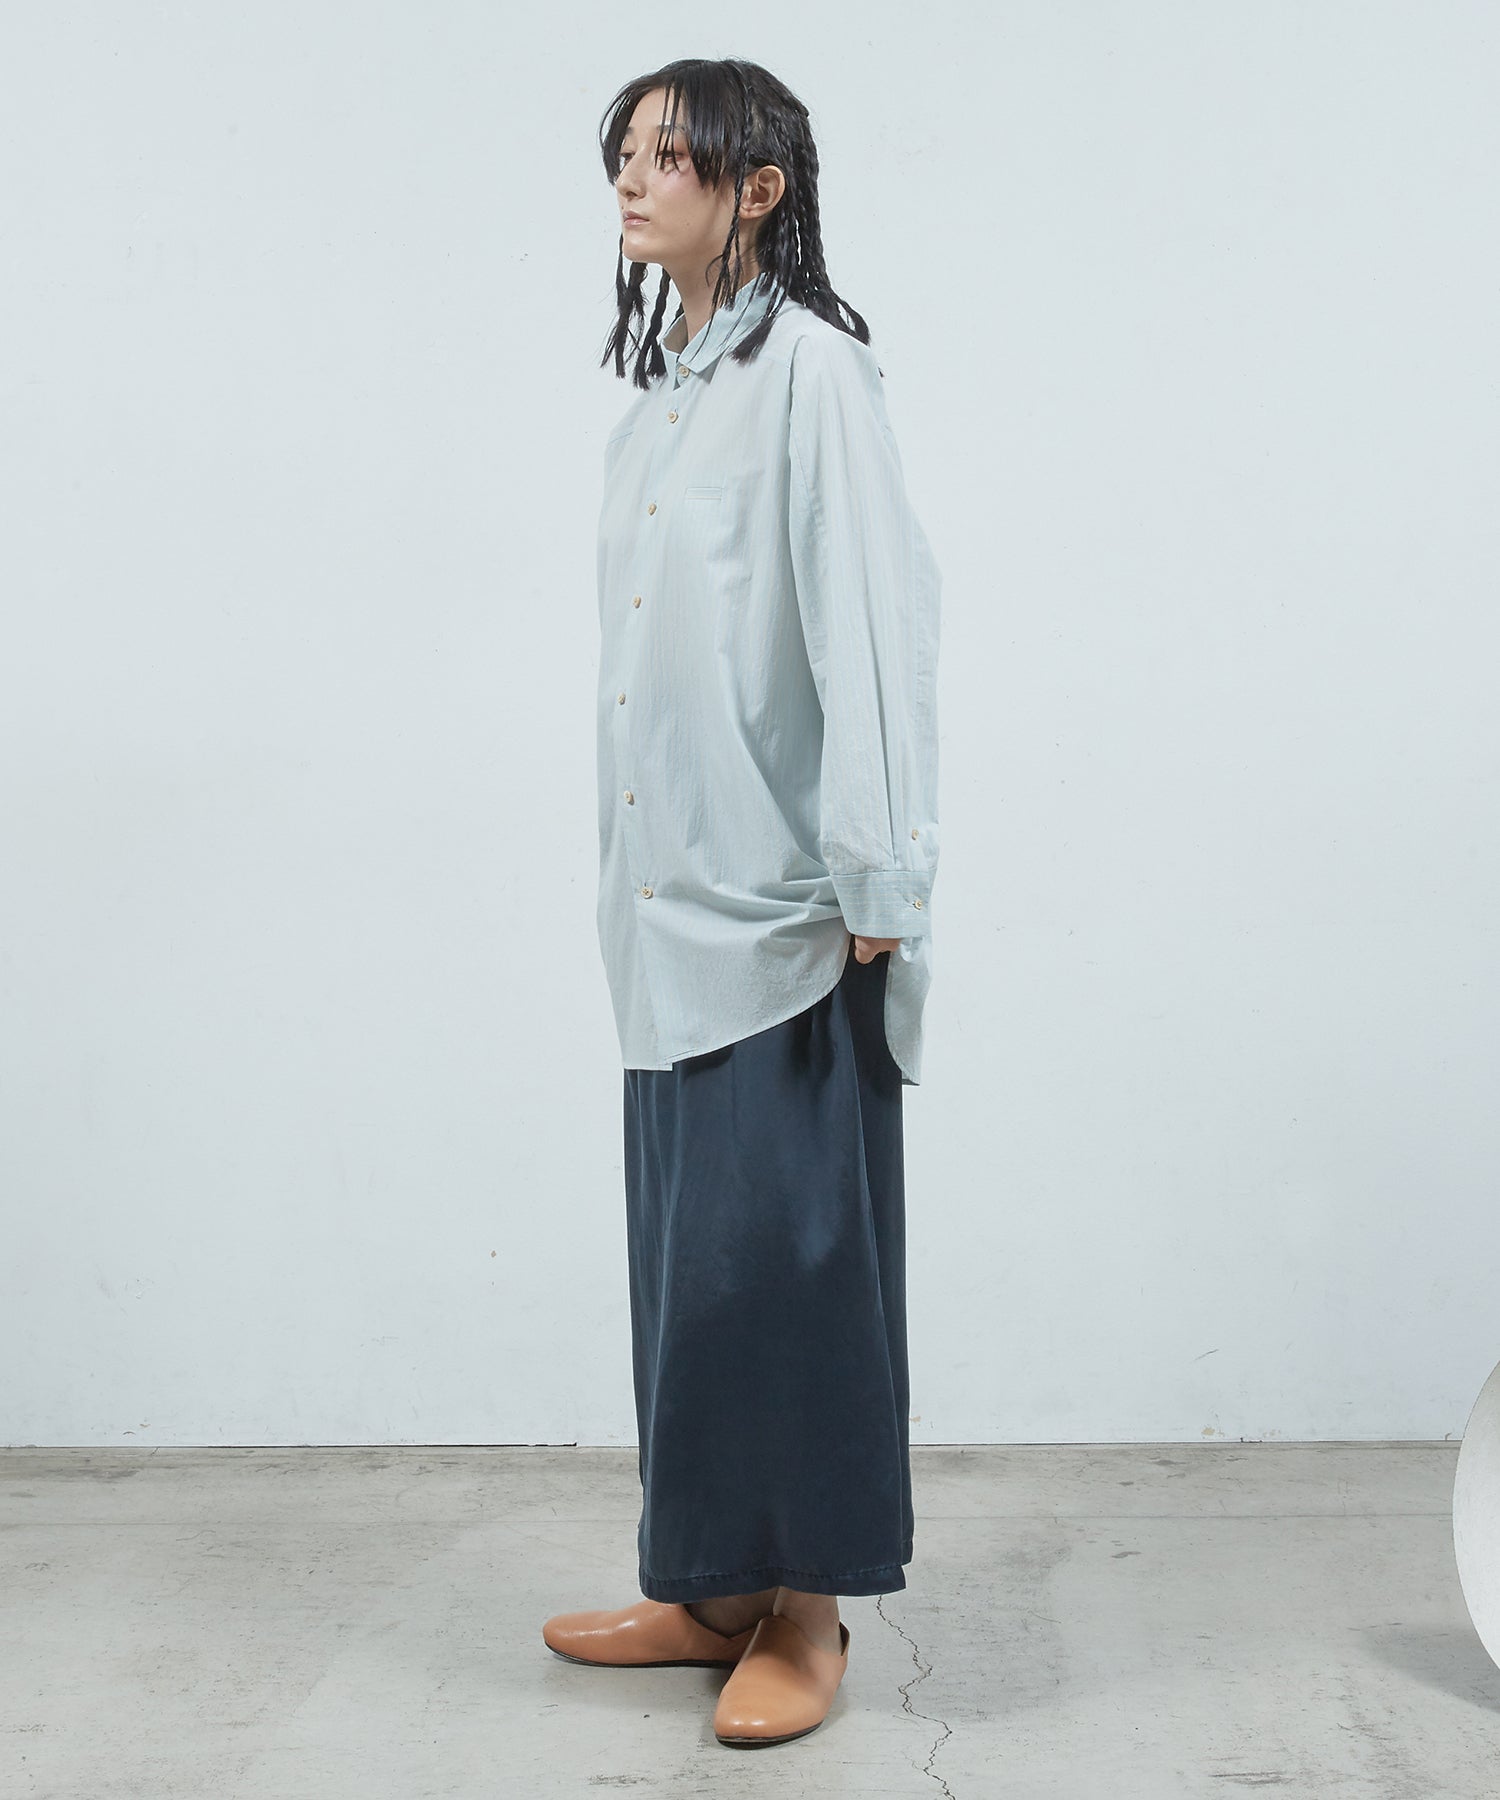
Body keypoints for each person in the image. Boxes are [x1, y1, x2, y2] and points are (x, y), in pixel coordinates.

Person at [542, 57, 942, 1750]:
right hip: (669, 910)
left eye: (669, 155)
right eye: (623, 154)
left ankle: (809, 1605)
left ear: (757, 187)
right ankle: (711, 1586)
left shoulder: (814, 381)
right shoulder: (661, 410)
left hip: (790, 910)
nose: (632, 181)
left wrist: (881, 868)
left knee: (792, 1270)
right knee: (691, 1272)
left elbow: (870, 619)